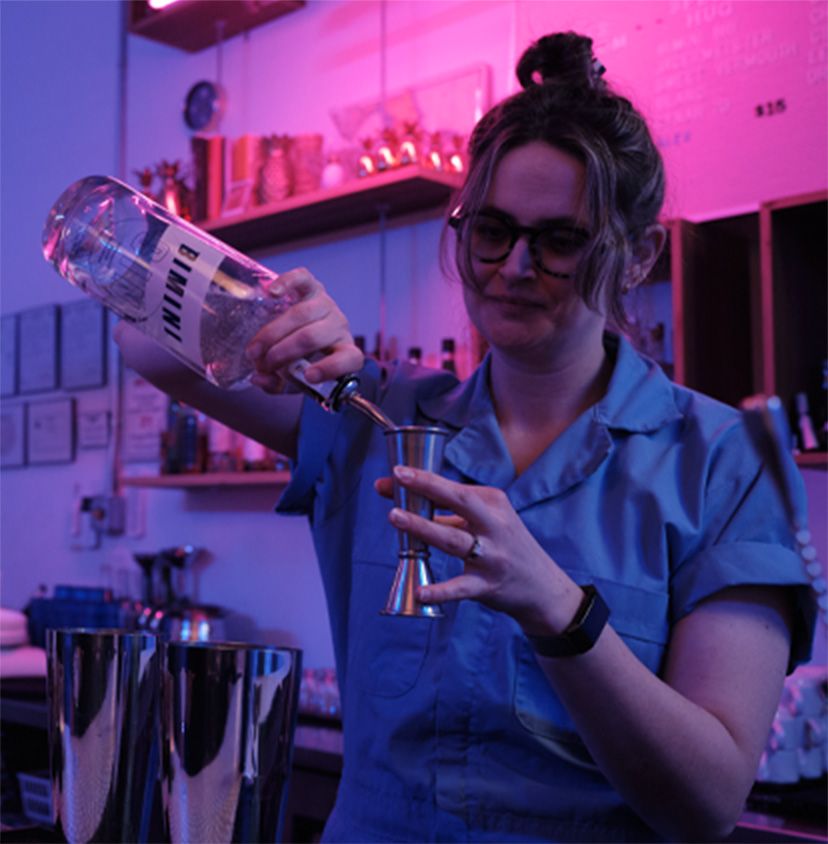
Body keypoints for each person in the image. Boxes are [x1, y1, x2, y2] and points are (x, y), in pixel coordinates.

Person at [117, 32, 816, 843]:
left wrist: (554, 606)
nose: (515, 265)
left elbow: (707, 801)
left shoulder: (721, 462)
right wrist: (261, 313)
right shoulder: (372, 415)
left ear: (638, 257)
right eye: (491, 230)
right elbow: (142, 343)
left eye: (559, 241)